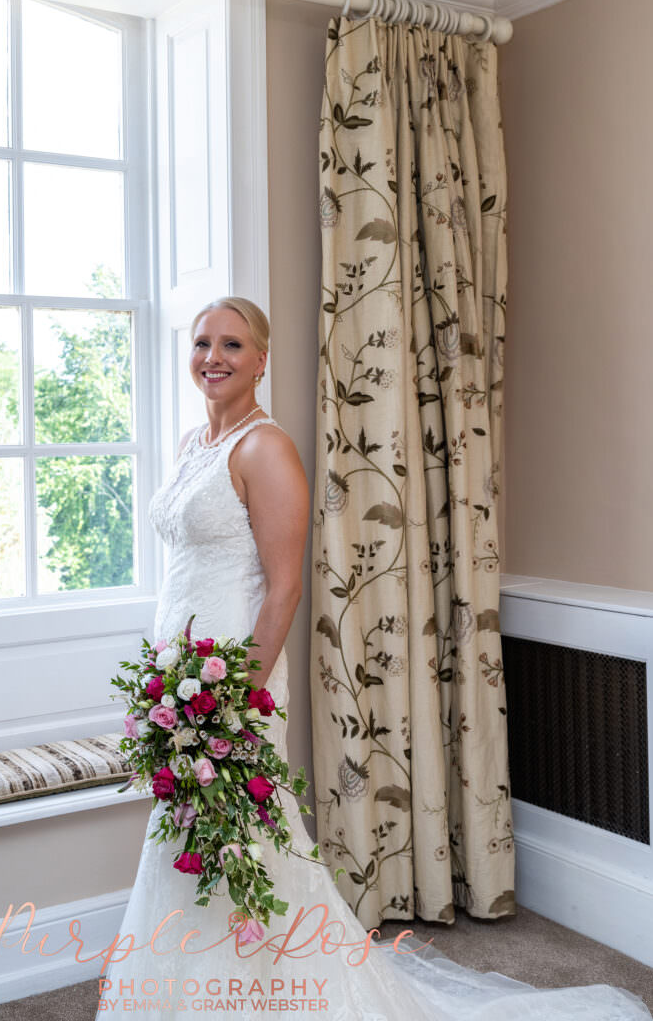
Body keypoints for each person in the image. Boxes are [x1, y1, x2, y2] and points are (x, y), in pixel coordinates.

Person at [94, 297, 652, 1020]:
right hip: (179, 675)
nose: (213, 357)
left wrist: (237, 699)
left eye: (232, 344)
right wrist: (166, 681)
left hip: (233, 679)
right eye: (202, 342)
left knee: (245, 838)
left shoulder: (266, 449)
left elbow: (285, 586)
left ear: (261, 359)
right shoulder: (188, 445)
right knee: (193, 835)